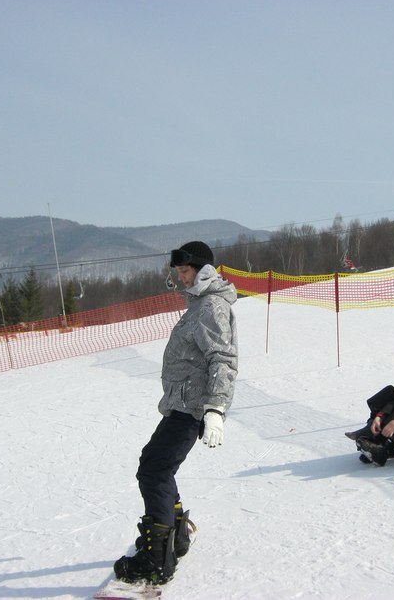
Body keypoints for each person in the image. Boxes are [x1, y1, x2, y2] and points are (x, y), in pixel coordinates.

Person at [113, 241, 238, 584]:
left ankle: (156, 558)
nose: (181, 278)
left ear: (203, 271)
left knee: (153, 471)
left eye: (185, 272)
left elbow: (223, 360)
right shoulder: (198, 302)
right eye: (178, 272)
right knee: (157, 466)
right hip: (180, 403)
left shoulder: (211, 306)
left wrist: (215, 410)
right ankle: (176, 534)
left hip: (192, 408)